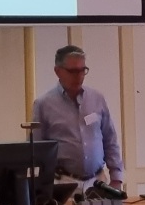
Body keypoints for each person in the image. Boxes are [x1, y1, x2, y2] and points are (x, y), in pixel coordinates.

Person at [32, 44, 124, 191]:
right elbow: (36, 149)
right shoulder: (43, 104)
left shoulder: (97, 98)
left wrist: (116, 178)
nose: (79, 76)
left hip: (98, 182)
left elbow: (110, 140)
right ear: (58, 71)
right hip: (63, 183)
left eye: (83, 70)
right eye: (73, 71)